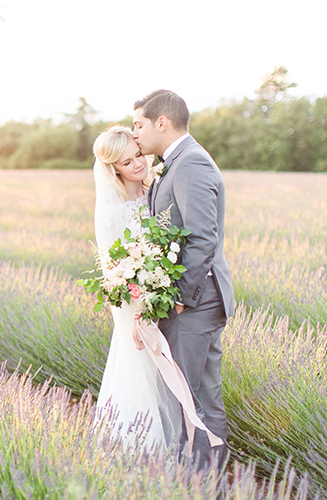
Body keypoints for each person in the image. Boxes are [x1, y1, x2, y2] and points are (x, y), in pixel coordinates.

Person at [133, 90, 235, 469]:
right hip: (192, 299)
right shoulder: (172, 162)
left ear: (162, 122)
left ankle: (203, 484)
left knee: (192, 399)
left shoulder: (191, 163)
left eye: (139, 124)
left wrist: (179, 297)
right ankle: (201, 481)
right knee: (196, 396)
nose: (135, 133)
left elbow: (202, 236)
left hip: (196, 301)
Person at [92, 125, 182, 452]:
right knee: (142, 372)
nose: (138, 164)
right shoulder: (111, 211)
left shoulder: (154, 190)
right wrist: (142, 306)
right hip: (136, 302)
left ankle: (178, 445)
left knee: (169, 373)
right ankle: (145, 450)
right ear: (114, 168)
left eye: (139, 154)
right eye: (128, 162)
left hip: (163, 293)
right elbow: (115, 270)